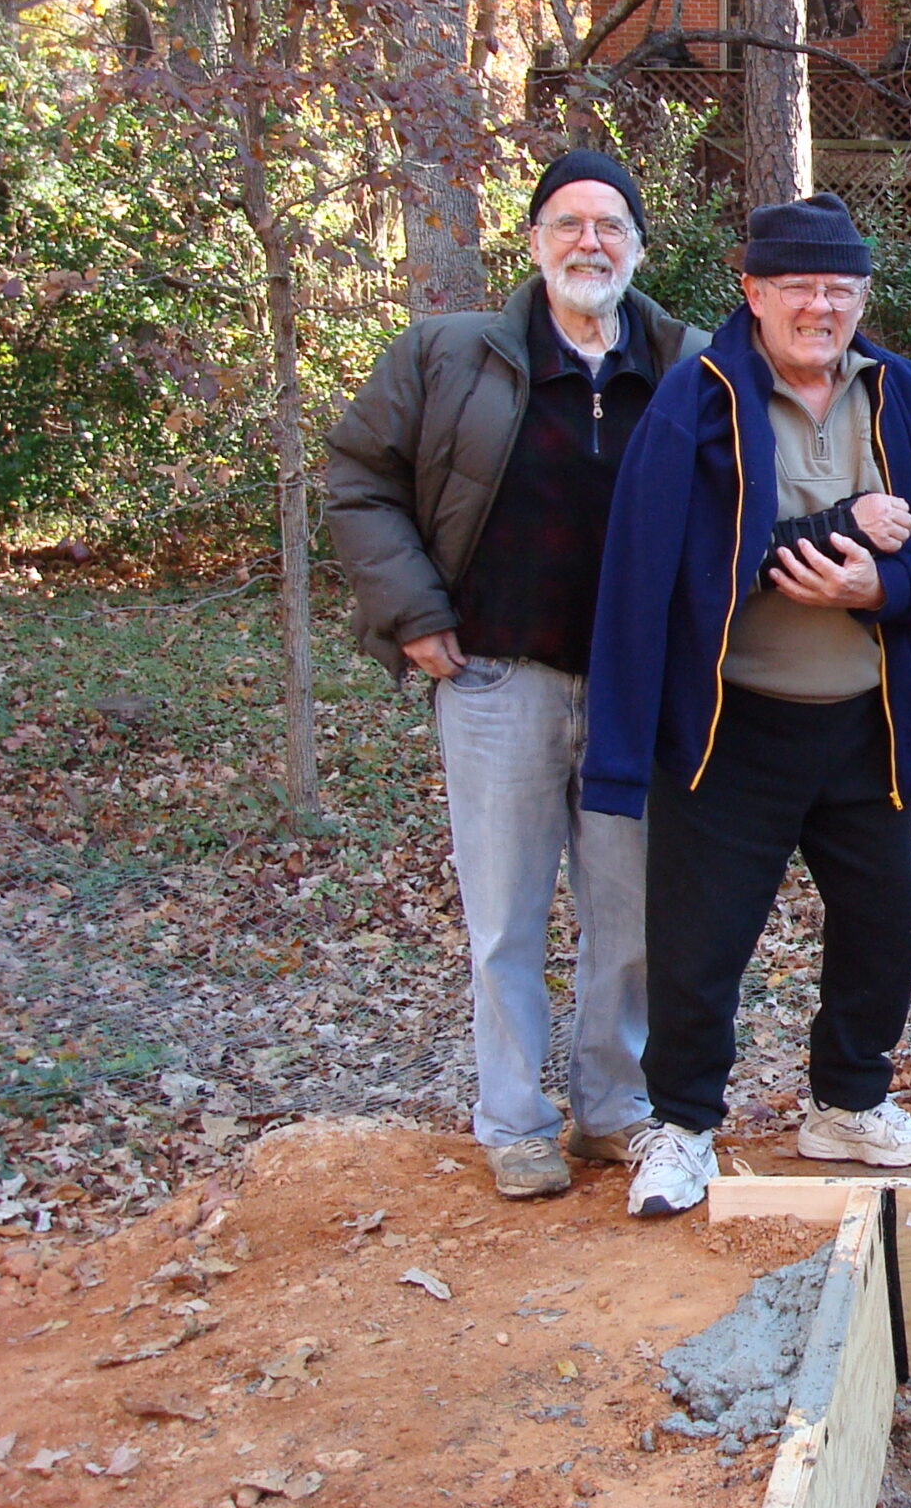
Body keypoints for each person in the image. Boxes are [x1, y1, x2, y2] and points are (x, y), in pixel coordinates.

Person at [581, 193, 911, 1217]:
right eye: (799, 286)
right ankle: (682, 1127)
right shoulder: (697, 399)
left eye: (840, 288)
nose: (821, 306)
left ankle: (847, 1105)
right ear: (753, 292)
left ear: (863, 297)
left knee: (881, 929)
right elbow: (666, 559)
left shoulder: (904, 393)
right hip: (730, 723)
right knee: (700, 943)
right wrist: (833, 528)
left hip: (864, 722)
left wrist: (884, 585)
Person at [326, 149, 705, 1199]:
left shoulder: (687, 363)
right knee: (505, 918)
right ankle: (514, 1122)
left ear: (639, 247)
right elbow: (358, 478)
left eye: (611, 225)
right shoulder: (449, 355)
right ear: (534, 241)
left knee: (630, 916)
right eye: (568, 223)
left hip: (635, 691)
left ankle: (612, 1110)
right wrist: (413, 611)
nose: (590, 242)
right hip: (498, 677)